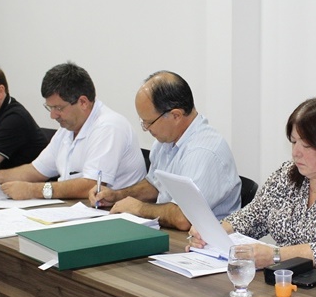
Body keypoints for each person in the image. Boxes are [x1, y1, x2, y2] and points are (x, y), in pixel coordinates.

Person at [189, 96, 316, 272]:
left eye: (307, 145)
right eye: (294, 142)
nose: (296, 153)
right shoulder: (289, 174)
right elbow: (254, 216)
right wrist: (213, 232)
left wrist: (275, 255)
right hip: (298, 279)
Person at [90, 71, 240, 229]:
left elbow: (184, 218)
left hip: (201, 240)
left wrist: (139, 208)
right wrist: (118, 195)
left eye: (149, 122)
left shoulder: (203, 152)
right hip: (171, 233)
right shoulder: (166, 140)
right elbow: (155, 185)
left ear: (176, 115)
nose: (146, 128)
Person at [0, 61, 146, 199]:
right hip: (77, 211)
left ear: (83, 102)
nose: (53, 115)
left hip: (114, 217)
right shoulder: (68, 127)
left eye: (58, 108)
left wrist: (33, 190)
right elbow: (36, 170)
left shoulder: (109, 126)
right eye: (49, 108)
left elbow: (91, 185)